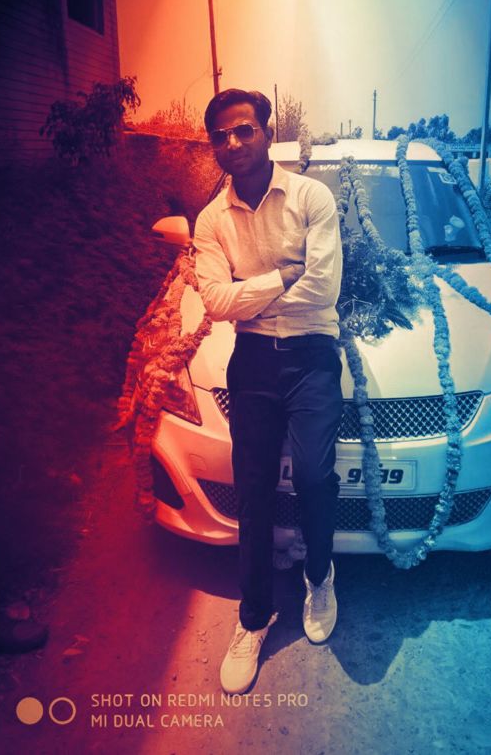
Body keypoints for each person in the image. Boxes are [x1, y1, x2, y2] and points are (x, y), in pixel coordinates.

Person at [193, 88, 343, 695]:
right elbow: (214, 302)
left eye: (244, 129)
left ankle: (319, 577)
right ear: (213, 145)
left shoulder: (311, 197)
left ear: (267, 132)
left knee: (313, 475)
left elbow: (324, 289)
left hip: (312, 357)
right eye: (221, 135)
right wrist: (282, 276)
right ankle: (253, 617)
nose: (233, 142)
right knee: (251, 490)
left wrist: (250, 295)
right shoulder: (211, 220)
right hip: (252, 363)